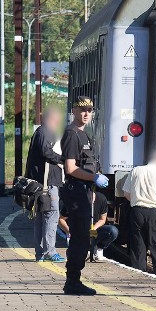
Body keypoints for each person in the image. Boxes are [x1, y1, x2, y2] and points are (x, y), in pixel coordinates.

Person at [59, 96, 109, 295]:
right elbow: (70, 168)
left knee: (83, 237)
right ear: (74, 110)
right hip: (77, 191)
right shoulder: (72, 134)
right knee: (80, 237)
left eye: (89, 110)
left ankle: (74, 280)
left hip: (85, 191)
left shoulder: (84, 135)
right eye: (82, 110)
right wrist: (93, 176)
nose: (86, 113)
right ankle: (72, 281)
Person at [122, 150, 156, 279]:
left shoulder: (136, 171)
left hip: (137, 212)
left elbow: (126, 193)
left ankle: (137, 277)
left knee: (138, 248)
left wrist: (137, 201)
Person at [26, 108, 65, 263]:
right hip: (47, 183)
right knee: (51, 215)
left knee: (42, 216)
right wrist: (64, 159)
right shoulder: (45, 132)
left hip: (43, 182)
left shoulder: (42, 132)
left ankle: (40, 252)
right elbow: (46, 152)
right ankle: (49, 251)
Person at [59, 190, 118, 263]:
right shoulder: (73, 200)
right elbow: (61, 219)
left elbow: (102, 219)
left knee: (113, 231)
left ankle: (99, 248)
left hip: (93, 229)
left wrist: (93, 229)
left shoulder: (101, 198)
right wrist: (69, 231)